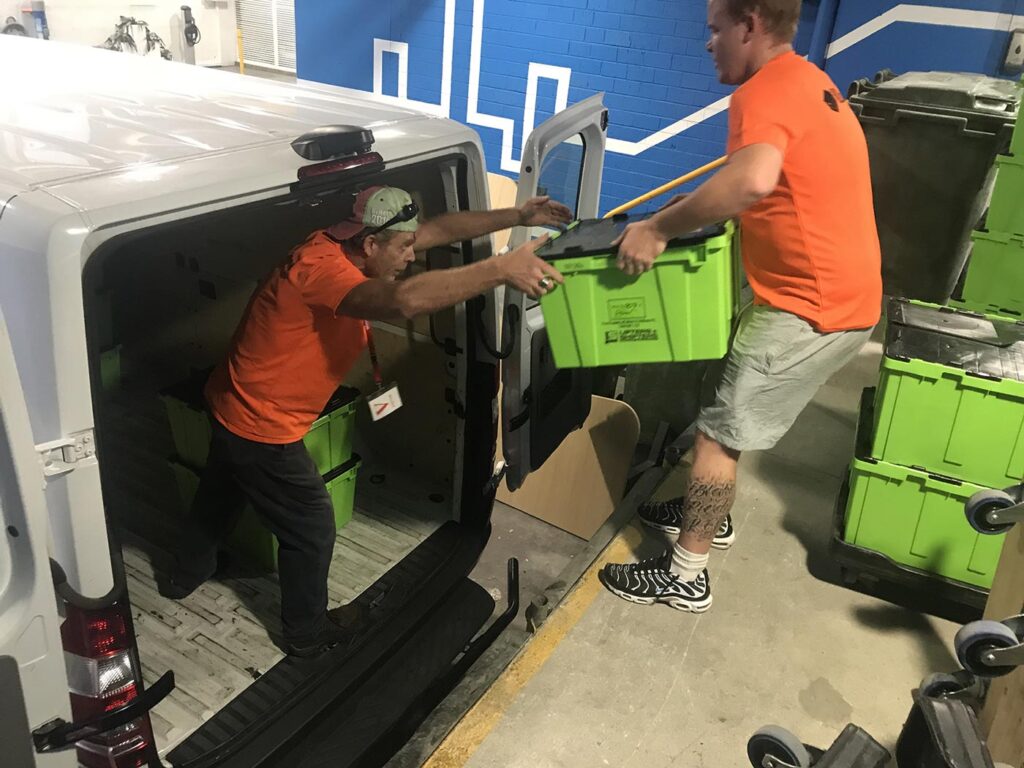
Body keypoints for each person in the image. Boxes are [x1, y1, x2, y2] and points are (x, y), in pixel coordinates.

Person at [161, 185, 570, 656]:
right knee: (311, 526)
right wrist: (500, 268)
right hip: (261, 422)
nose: (411, 257)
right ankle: (305, 634)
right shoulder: (321, 271)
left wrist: (517, 214)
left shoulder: (348, 241)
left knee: (222, 488)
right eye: (402, 249)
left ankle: (184, 574)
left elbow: (438, 229)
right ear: (371, 244)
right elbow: (404, 302)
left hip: (234, 400)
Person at [599, 0, 882, 612]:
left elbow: (752, 180)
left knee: (716, 436)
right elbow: (780, 188)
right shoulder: (810, 79)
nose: (709, 44)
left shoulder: (764, 91)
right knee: (729, 416)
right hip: (840, 294)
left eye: (714, 30)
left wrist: (660, 228)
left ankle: (686, 573)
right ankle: (711, 513)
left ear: (749, 24)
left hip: (809, 308)